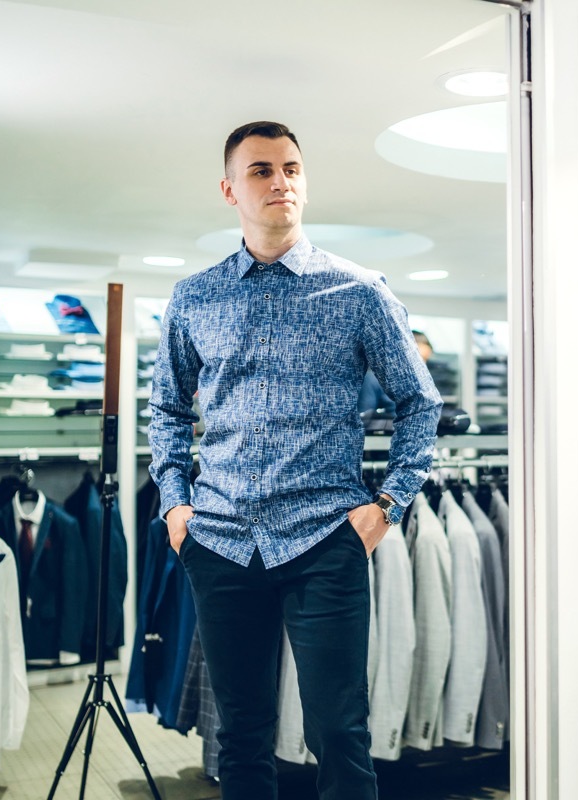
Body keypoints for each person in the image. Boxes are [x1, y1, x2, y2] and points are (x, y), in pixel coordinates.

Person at [148, 120, 442, 800]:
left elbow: (419, 404)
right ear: (229, 190)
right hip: (218, 540)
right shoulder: (195, 297)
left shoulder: (359, 290)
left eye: (291, 168)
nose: (281, 181)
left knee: (339, 732)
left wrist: (388, 506)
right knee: (241, 735)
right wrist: (174, 504)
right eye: (261, 170)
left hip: (325, 539)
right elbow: (167, 409)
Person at [359, 329, 433, 413]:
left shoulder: (424, 384)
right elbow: (362, 419)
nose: (422, 365)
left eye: (425, 360)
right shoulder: (373, 380)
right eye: (418, 359)